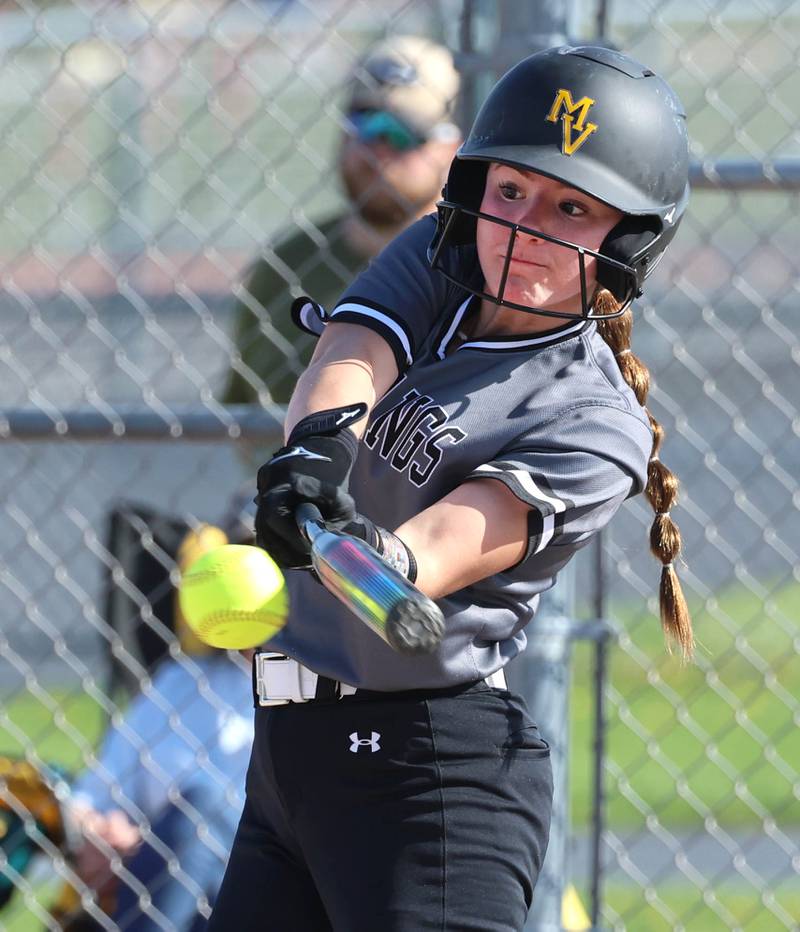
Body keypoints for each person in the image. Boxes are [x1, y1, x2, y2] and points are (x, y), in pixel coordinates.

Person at [209, 45, 694, 932]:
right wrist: (315, 452)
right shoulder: (443, 257)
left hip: (428, 783)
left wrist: (366, 556)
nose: (526, 225)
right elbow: (353, 349)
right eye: (511, 190)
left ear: (626, 241)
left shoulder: (594, 420)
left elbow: (445, 549)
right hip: (289, 763)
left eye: (571, 207)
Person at [223, 34, 462, 408]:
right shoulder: (287, 264)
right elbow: (239, 413)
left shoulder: (476, 271)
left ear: (452, 146)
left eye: (402, 132)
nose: (377, 146)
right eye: (363, 122)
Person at [65, 524, 256, 932]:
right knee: (193, 819)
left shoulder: (319, 686)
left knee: (201, 810)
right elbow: (90, 797)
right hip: (157, 881)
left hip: (256, 885)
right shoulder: (179, 680)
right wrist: (98, 832)